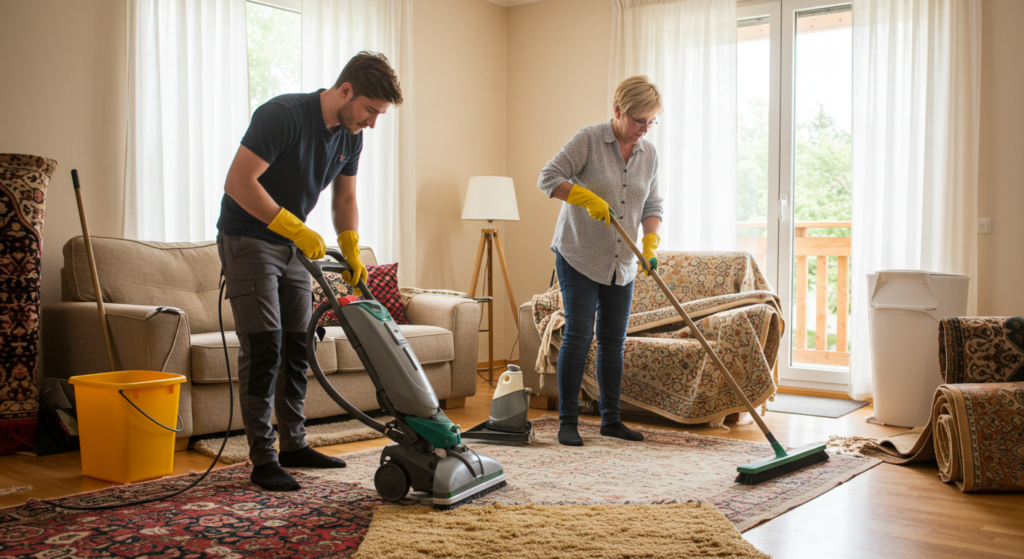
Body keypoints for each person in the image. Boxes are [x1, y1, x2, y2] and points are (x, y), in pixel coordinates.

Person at [217, 51, 403, 490]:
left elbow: (344, 200)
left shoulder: (350, 137)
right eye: (370, 110)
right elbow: (239, 182)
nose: (372, 122)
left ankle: (294, 444)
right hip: (248, 238)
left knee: (298, 345)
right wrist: (292, 227)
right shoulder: (282, 115)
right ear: (345, 91)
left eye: (380, 114)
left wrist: (352, 246)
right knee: (264, 348)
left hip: (293, 246)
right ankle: (263, 459)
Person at [537, 76, 663, 447]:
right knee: (579, 335)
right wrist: (585, 198)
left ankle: (611, 421)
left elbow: (652, 204)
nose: (644, 129)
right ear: (618, 110)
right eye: (639, 120)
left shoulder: (649, 154)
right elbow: (548, 178)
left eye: (651, 122)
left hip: (622, 259)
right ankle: (567, 422)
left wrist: (651, 242)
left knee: (613, 341)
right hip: (578, 251)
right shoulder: (589, 139)